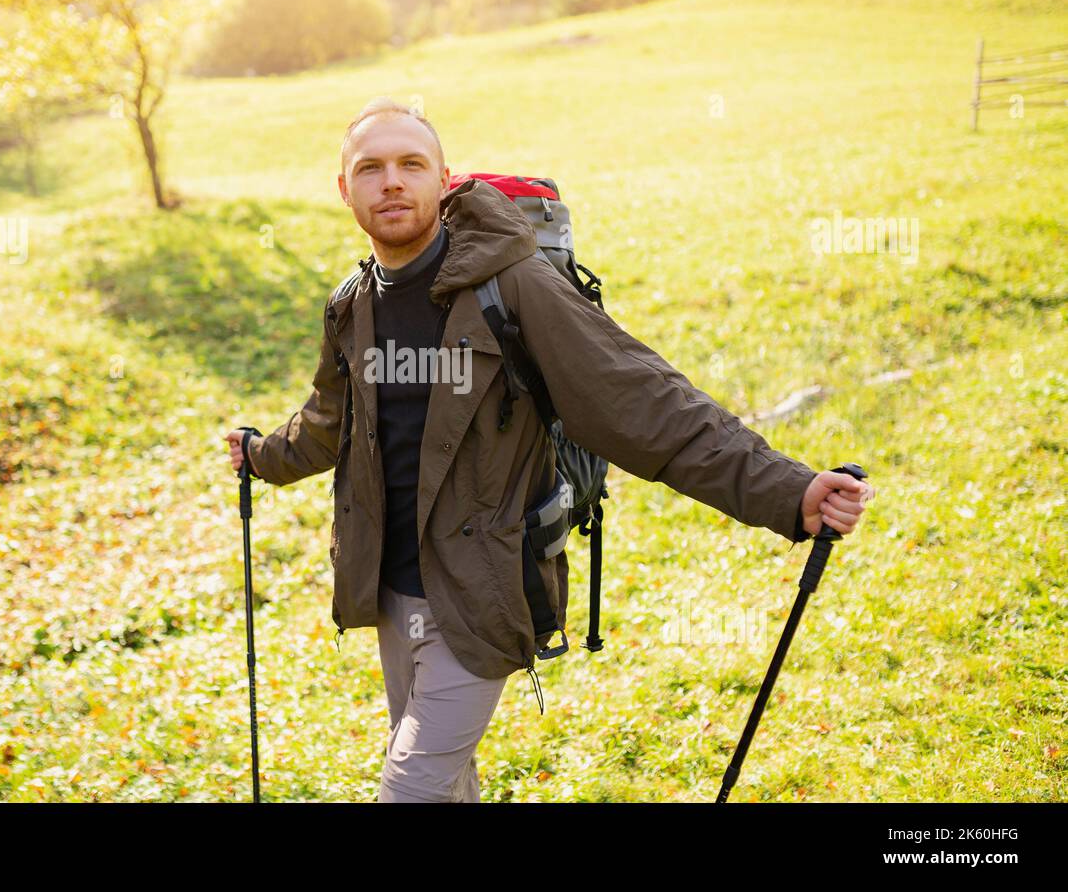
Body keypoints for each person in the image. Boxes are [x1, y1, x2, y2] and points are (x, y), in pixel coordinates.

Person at [225, 97, 875, 803]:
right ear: (343, 188)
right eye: (370, 168)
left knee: (409, 789)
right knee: (441, 784)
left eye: (411, 164)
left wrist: (788, 491)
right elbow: (328, 421)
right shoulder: (353, 303)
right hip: (392, 593)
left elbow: (642, 402)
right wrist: (261, 457)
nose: (391, 182)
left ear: (444, 180)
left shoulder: (512, 286)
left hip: (481, 592)